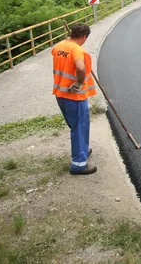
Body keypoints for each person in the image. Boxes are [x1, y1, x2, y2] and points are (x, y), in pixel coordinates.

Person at [52, 23, 97, 175]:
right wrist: (78, 82)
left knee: (76, 126)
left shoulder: (60, 46)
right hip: (74, 96)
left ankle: (82, 150)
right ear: (84, 37)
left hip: (61, 94)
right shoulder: (76, 50)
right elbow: (80, 67)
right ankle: (78, 164)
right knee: (80, 127)